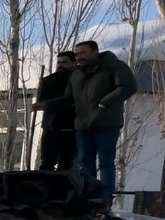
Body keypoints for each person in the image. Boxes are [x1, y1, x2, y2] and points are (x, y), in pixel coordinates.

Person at [38, 40, 137, 206]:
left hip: (106, 123)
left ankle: (105, 199)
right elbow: (68, 99)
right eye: (76, 54)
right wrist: (46, 105)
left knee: (105, 162)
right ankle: (89, 196)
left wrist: (106, 101)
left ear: (95, 52)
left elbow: (128, 86)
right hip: (83, 125)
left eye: (82, 53)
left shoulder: (114, 66)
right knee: (85, 162)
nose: (79, 57)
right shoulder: (76, 74)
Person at [35, 51, 78, 171]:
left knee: (66, 163)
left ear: (74, 62)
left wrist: (53, 103)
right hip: (51, 126)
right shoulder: (49, 80)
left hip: (70, 127)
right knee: (47, 162)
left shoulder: (79, 80)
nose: (60, 65)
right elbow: (42, 101)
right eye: (59, 62)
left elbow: (71, 100)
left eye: (64, 62)